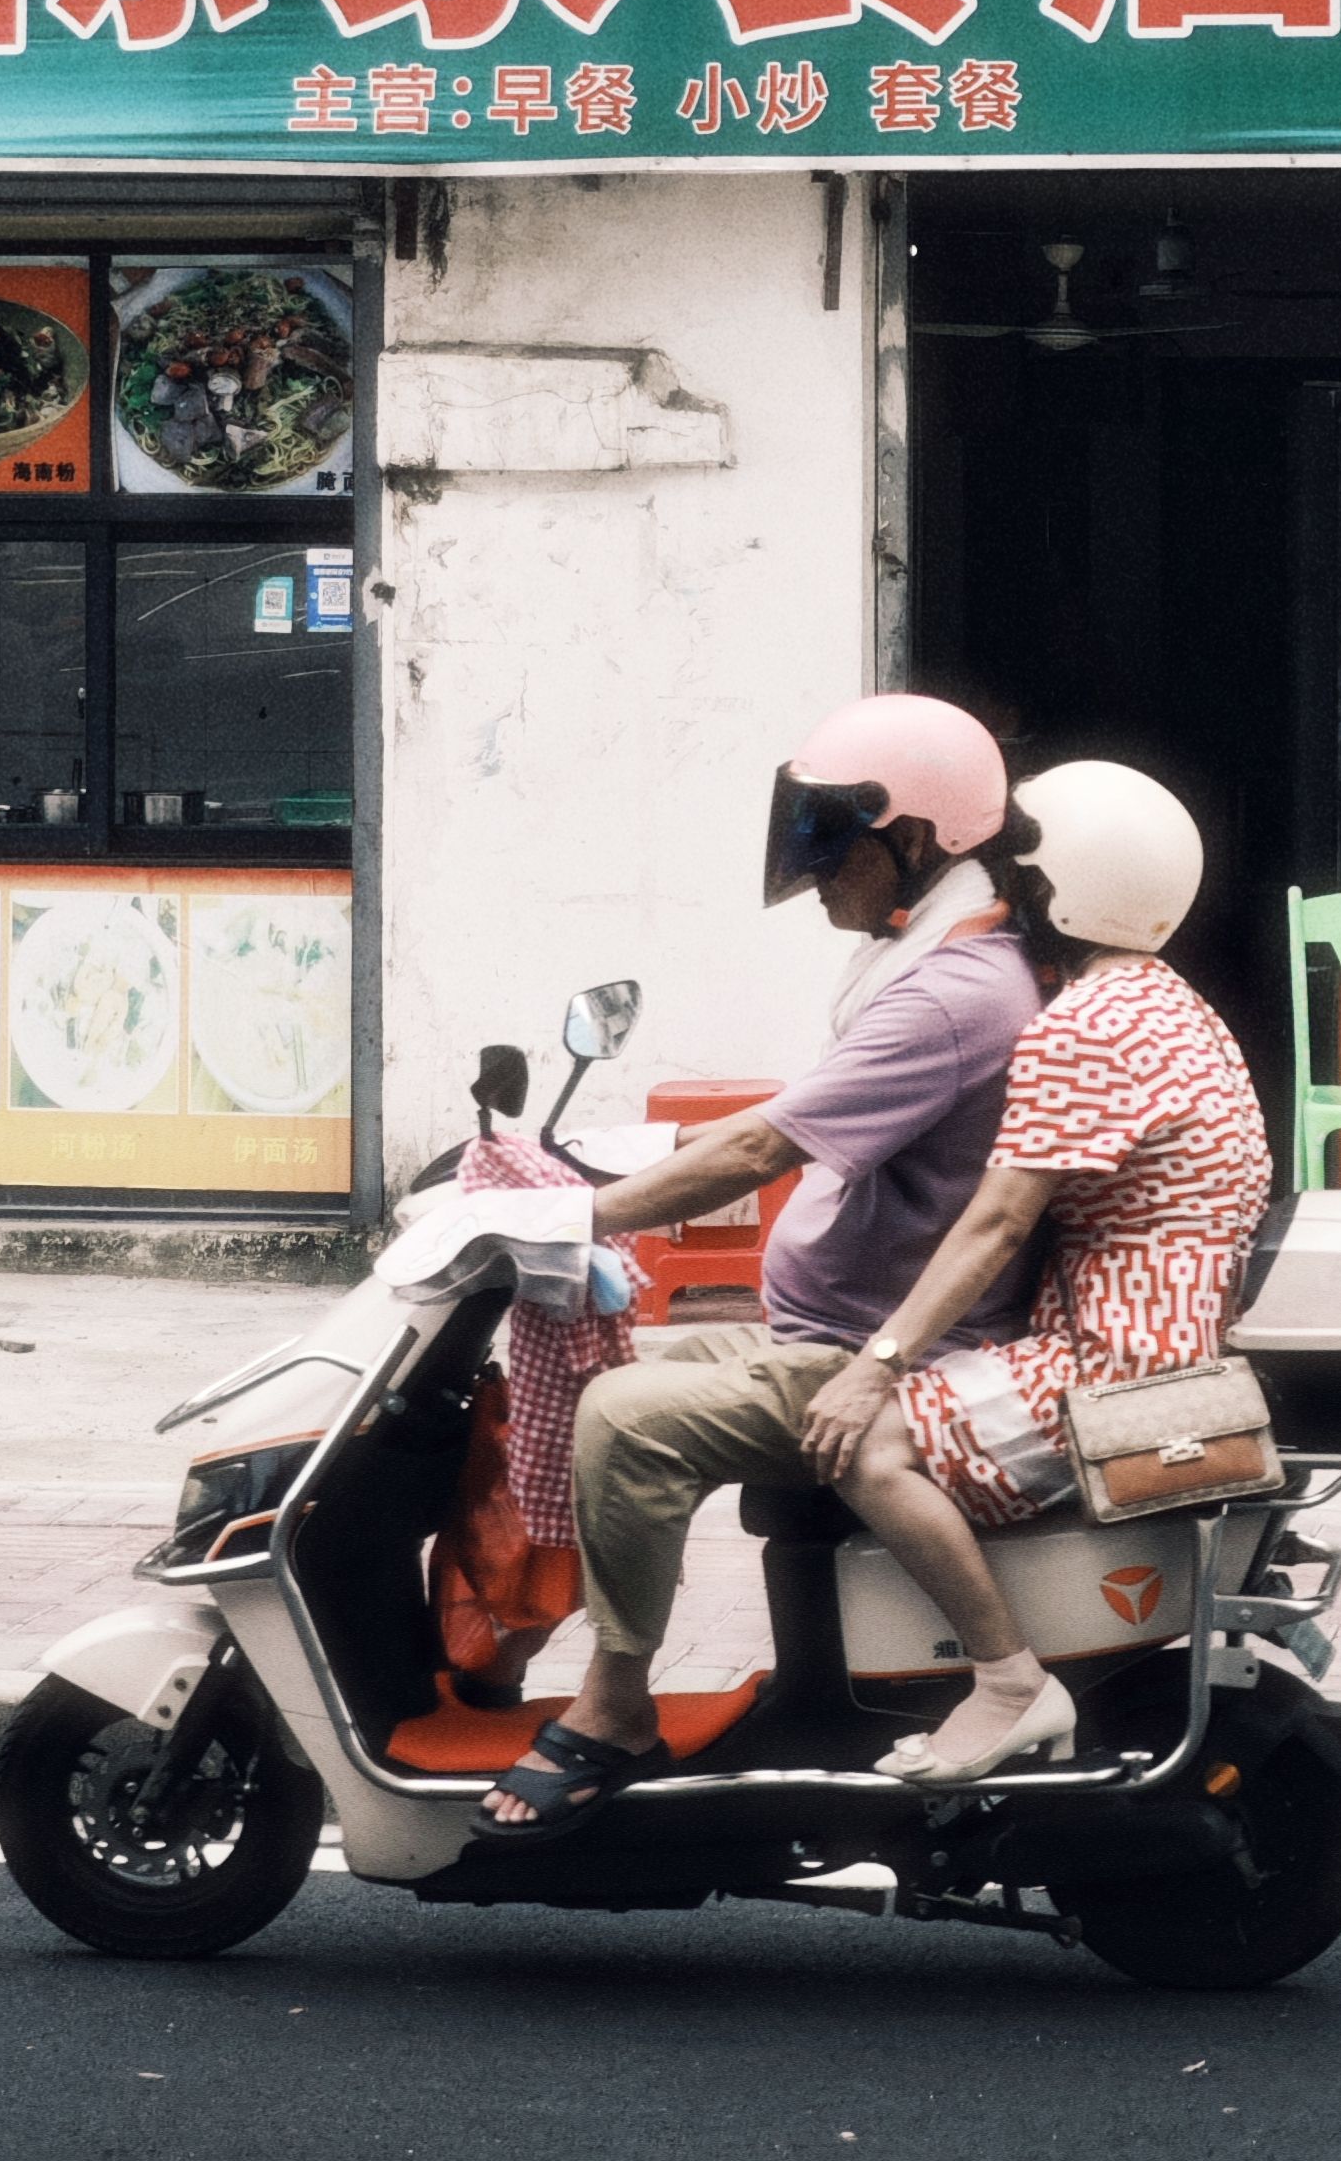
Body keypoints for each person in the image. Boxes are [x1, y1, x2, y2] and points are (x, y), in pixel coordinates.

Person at [472, 690, 1044, 1838]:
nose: (815, 869)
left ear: (916, 838)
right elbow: (790, 1115)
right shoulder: (936, 959)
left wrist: (570, 1217)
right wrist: (621, 1164)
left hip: (882, 1351)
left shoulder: (950, 993)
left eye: (833, 836)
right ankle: (527, 1646)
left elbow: (761, 1148)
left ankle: (616, 1706)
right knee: (610, 1384)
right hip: (821, 1330)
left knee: (626, 1419)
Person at [795, 760, 1273, 1783]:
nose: (1001, 897)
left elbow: (997, 1223)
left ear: (1064, 891)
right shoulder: (1173, 1004)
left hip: (1117, 1365)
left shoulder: (1080, 1030)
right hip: (1172, 1337)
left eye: (1017, 877)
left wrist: (878, 1363)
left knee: (869, 1446)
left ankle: (1009, 1681)